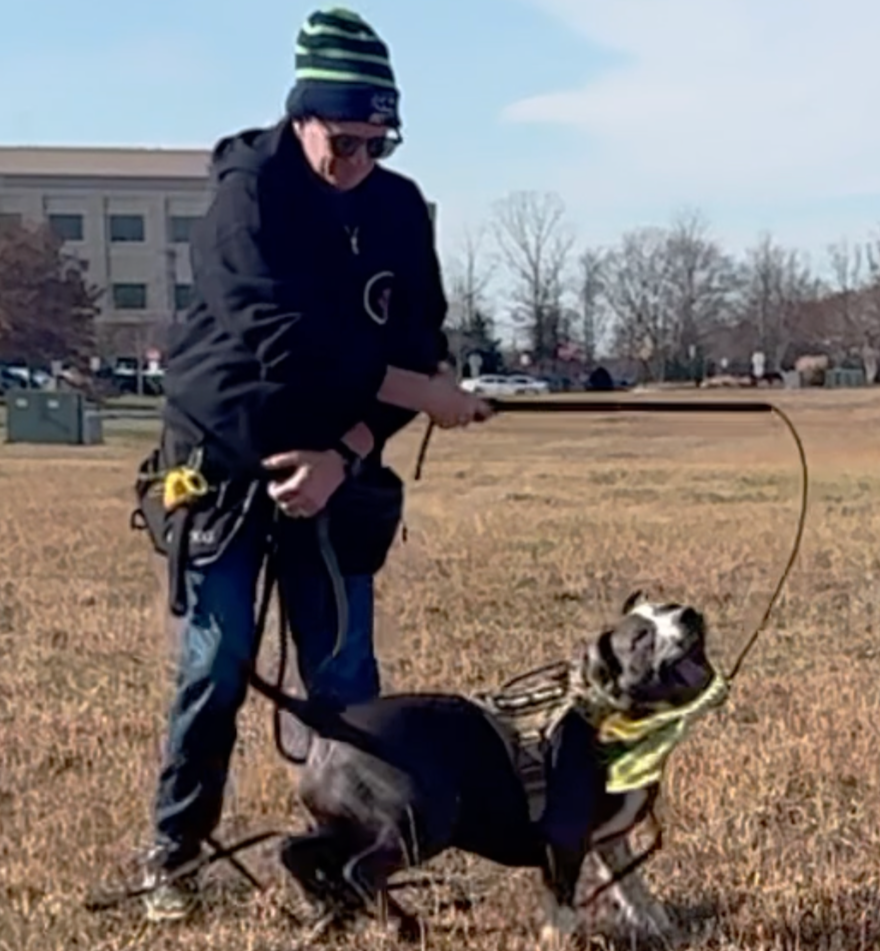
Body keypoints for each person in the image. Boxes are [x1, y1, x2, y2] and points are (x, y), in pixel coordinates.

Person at [135, 6, 492, 921]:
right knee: (216, 667)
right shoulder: (247, 194)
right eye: (345, 140)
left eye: (380, 142)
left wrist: (348, 451)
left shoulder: (399, 208)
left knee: (345, 684)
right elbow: (276, 339)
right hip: (222, 459)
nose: (360, 161)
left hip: (337, 465)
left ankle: (354, 862)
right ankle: (171, 853)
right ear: (302, 117)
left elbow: (417, 343)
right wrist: (419, 392)